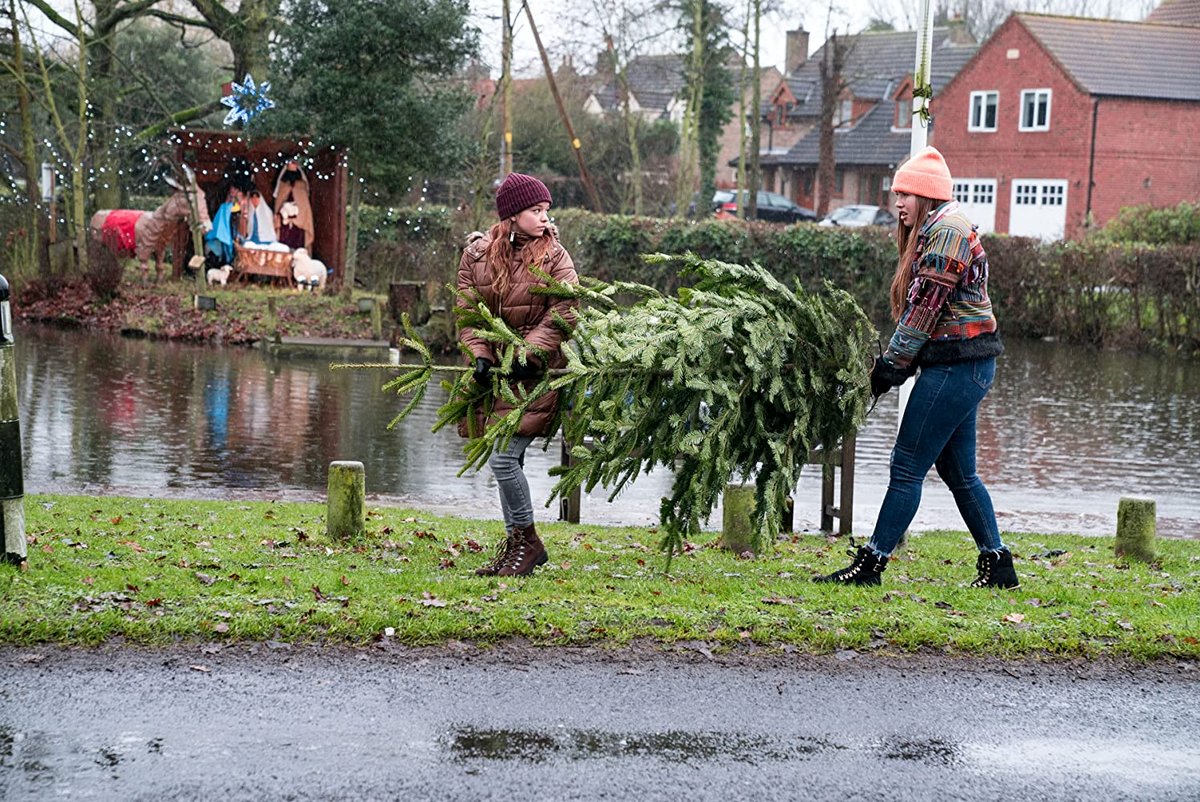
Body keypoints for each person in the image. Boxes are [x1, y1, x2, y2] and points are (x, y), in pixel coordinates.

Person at [815, 146, 1018, 589]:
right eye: (896, 195)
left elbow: (923, 311)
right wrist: (896, 367)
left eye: (905, 194)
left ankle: (871, 565)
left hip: (957, 367)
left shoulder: (945, 232)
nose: (898, 204)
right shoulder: (941, 227)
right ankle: (999, 565)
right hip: (968, 365)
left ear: (926, 195)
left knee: (906, 464)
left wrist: (889, 367)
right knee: (959, 472)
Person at [457, 172, 579, 578]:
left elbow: (565, 311)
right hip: (496, 378)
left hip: (535, 375)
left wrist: (531, 353)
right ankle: (517, 547)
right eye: (535, 210)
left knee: (504, 459)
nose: (544, 218)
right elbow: (469, 312)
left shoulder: (556, 257)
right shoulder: (476, 256)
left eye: (546, 210)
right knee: (508, 460)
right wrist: (480, 353)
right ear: (511, 215)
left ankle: (527, 543)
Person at [273, 159, 315, 251]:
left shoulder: (302, 186)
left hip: (299, 224)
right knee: (284, 246)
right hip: (284, 224)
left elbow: (304, 205)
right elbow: (278, 203)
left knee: (297, 245)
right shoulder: (282, 185)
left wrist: (298, 216)